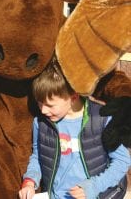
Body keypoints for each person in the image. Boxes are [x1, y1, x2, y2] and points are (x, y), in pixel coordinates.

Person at [19, 59, 130, 199]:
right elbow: (38, 156)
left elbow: (122, 161)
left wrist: (95, 186)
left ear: (73, 97)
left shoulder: (103, 119)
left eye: (50, 105)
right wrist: (30, 180)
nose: (43, 110)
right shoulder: (40, 123)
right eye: (39, 103)